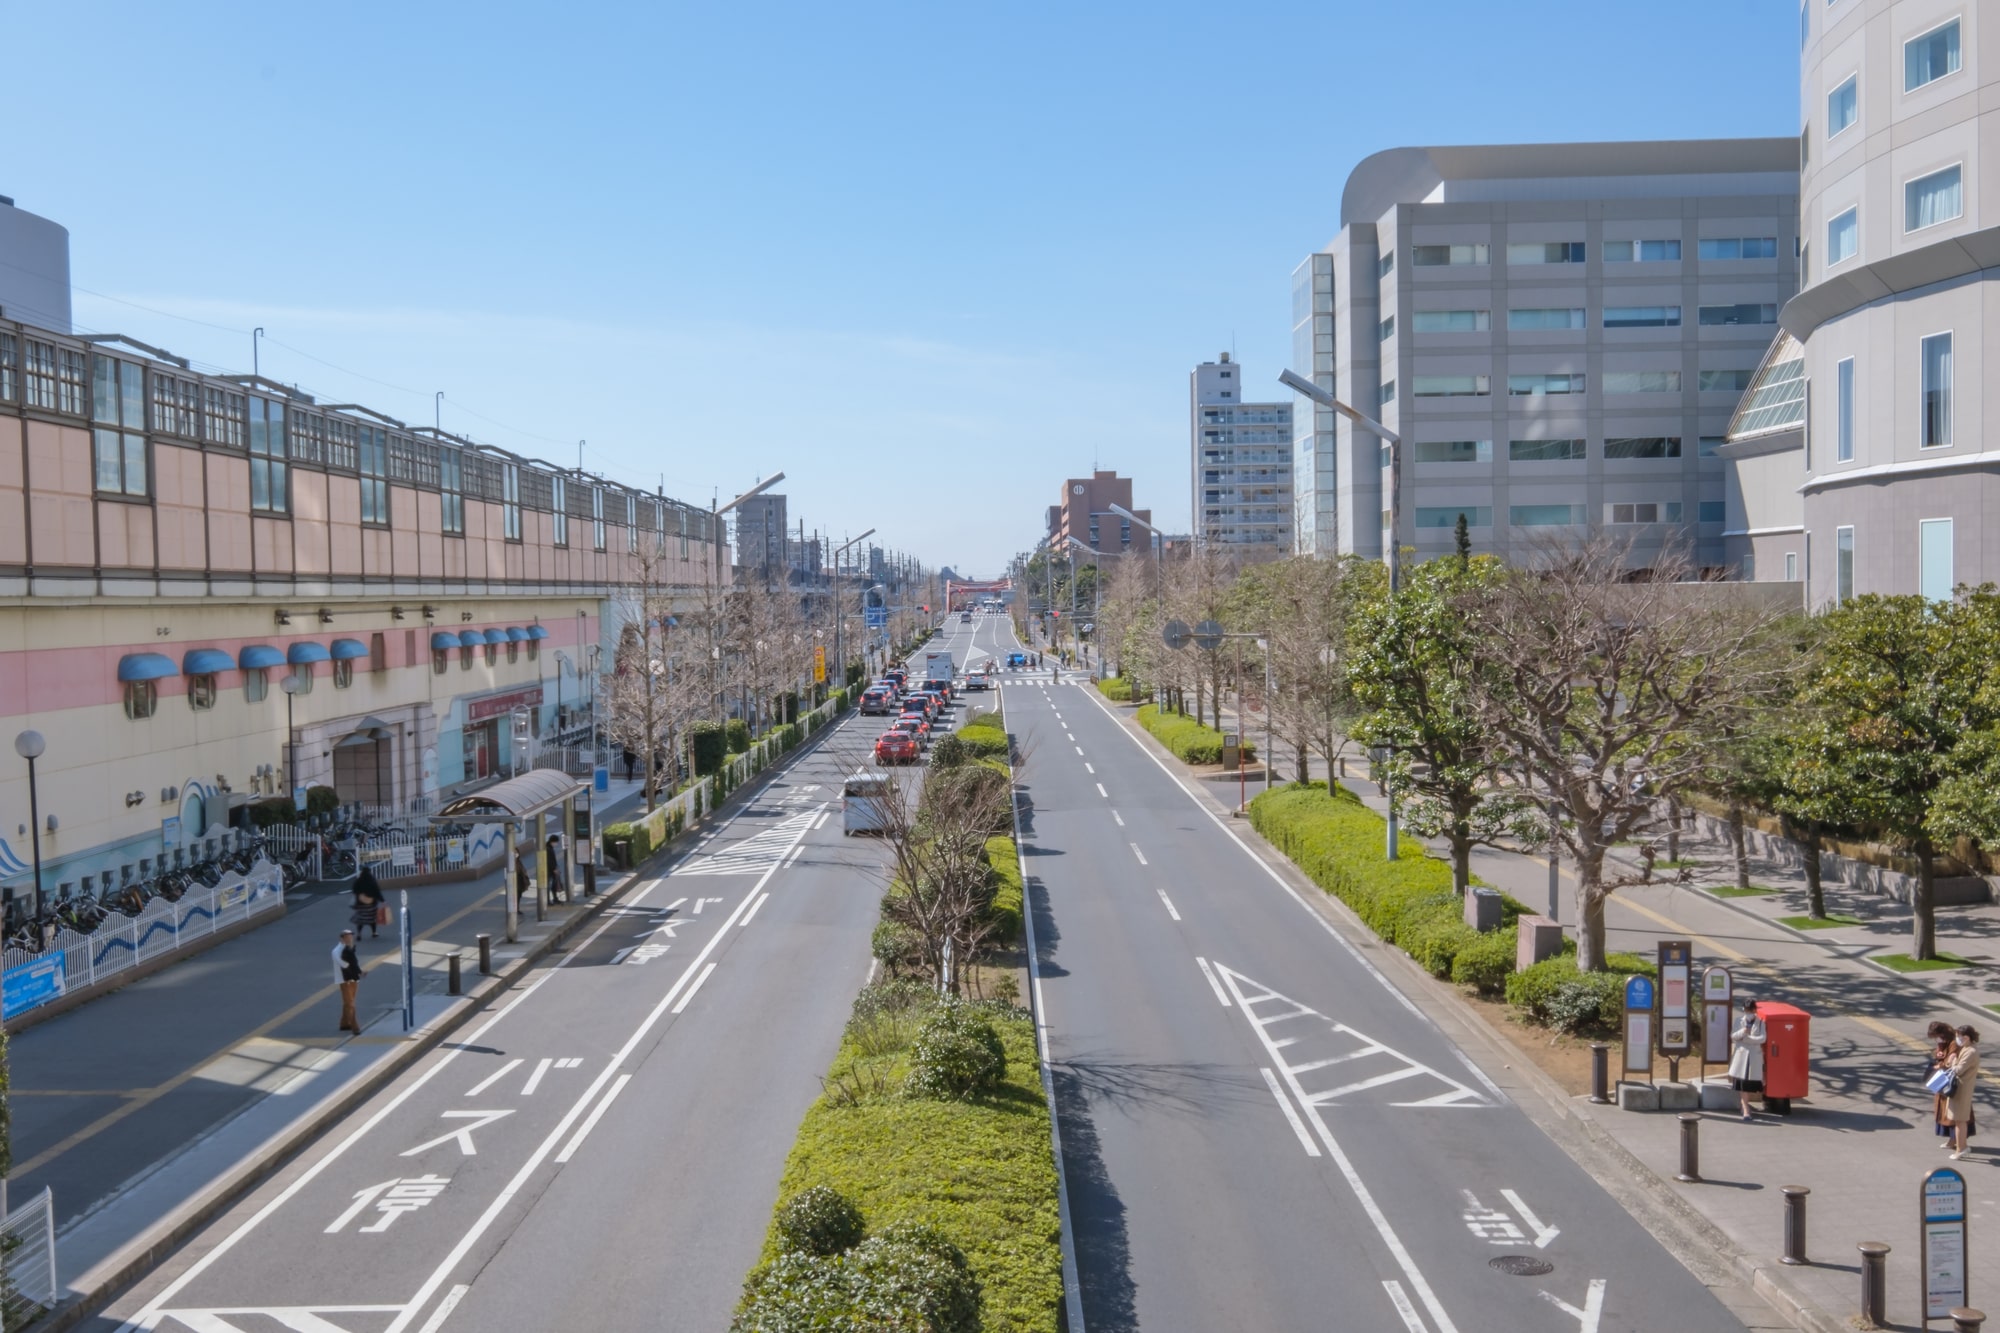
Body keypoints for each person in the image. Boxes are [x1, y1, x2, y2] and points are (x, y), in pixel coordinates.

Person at [1946, 1025, 1981, 1160]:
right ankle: (1963, 1146)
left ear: (1966, 1037)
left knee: (1960, 1121)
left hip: (1962, 1089)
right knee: (1959, 1120)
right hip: (1960, 1088)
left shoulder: (1971, 1051)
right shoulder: (1967, 1048)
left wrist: (1953, 1060)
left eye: (1959, 1036)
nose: (1957, 1039)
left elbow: (1959, 1070)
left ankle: (1961, 1148)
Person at [1727, 997, 1766, 1120]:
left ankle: (1744, 1105)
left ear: (1755, 1010)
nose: (1748, 1012)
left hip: (1754, 1056)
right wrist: (1743, 1032)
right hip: (1741, 1056)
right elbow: (1733, 1036)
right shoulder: (1739, 1020)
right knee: (1742, 1083)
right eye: (1746, 1009)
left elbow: (1763, 1038)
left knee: (1749, 1085)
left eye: (1750, 1010)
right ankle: (1746, 1109)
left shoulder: (1760, 1023)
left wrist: (1748, 1040)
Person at [1929, 1022, 1966, 1148]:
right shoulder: (1942, 1043)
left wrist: (1941, 1064)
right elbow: (1939, 1055)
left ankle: (1954, 1140)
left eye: (1937, 1036)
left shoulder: (1953, 1043)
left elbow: (1950, 1061)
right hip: (1943, 1081)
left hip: (1951, 1082)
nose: (1936, 1039)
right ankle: (1952, 1140)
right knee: (1944, 1112)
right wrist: (1938, 1053)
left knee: (1951, 1112)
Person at [333, 928, 363, 1034]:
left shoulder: (349, 948)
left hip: (353, 979)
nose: (350, 938)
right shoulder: (336, 951)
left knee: (348, 1002)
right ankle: (355, 1026)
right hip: (344, 980)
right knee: (350, 1003)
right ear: (342, 938)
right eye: (347, 936)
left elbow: (354, 963)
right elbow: (345, 964)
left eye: (351, 936)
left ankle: (344, 1023)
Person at [350, 865, 385, 940]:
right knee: (372, 919)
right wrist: (382, 900)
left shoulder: (359, 880)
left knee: (361, 920)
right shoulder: (371, 880)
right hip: (371, 904)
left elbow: (354, 890)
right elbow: (377, 891)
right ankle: (374, 932)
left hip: (360, 904)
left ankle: (359, 934)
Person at [545, 830, 567, 904]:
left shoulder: (549, 848)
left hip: (551, 870)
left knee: (553, 885)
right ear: (552, 841)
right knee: (550, 885)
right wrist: (554, 869)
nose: (556, 844)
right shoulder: (548, 849)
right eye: (556, 842)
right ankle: (549, 900)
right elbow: (549, 861)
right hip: (550, 871)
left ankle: (554, 898)